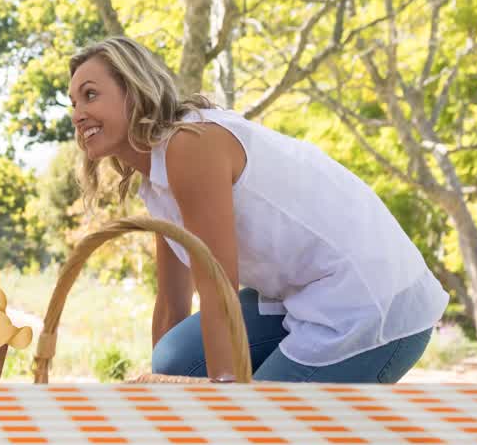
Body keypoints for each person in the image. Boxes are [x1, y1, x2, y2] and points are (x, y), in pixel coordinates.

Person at [67, 36, 448, 383]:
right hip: (301, 295)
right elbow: (171, 302)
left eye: (90, 95)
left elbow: (218, 289)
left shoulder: (190, 147)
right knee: (174, 358)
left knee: (261, 423)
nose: (78, 113)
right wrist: (163, 396)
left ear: (134, 92)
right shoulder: (156, 182)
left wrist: (225, 402)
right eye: (73, 102)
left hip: (372, 303)